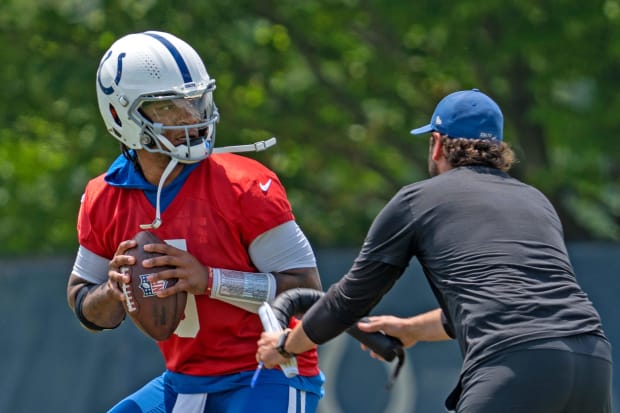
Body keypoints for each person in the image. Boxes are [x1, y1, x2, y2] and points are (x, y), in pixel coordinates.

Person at [257, 89, 613, 412]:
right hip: (591, 362)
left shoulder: (418, 200)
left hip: (514, 366)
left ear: (438, 144)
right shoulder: (536, 200)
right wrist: (411, 329)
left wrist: (288, 344)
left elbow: (351, 298)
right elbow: (504, 306)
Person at [66, 30, 324, 413]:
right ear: (122, 115)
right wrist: (114, 290)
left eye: (195, 101)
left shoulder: (244, 184)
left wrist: (211, 281)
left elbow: (309, 293)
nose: (192, 118)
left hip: (267, 372)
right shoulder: (105, 196)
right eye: (170, 107)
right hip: (184, 380)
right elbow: (84, 301)